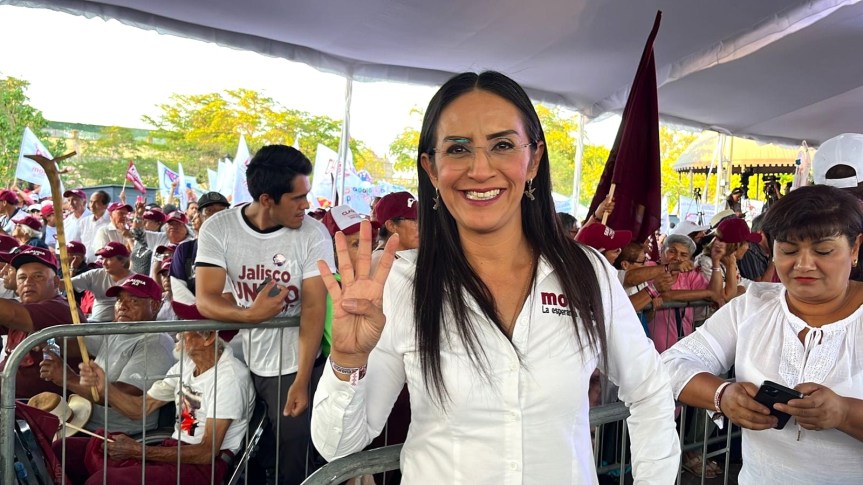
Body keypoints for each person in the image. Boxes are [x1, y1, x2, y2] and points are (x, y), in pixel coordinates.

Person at [311, 71, 679, 483]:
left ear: (534, 159)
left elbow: (649, 390)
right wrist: (347, 360)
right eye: (458, 149)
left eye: (502, 145)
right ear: (431, 169)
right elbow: (338, 445)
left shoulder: (586, 271)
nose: (480, 169)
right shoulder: (402, 283)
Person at [662, 184, 863, 483]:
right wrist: (722, 395)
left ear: (855, 249)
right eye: (789, 250)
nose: (804, 264)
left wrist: (845, 413)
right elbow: (671, 363)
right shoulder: (752, 306)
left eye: (823, 250)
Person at [195, 145, 335, 484]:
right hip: (247, 357)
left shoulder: (314, 233)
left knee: (294, 452)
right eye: (298, 198)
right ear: (267, 199)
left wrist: (302, 380)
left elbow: (314, 308)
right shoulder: (219, 228)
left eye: (307, 195)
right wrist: (250, 315)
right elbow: (206, 298)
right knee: (246, 447)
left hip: (295, 364)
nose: (307, 205)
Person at [71, 328, 255, 485]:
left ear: (209, 337)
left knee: (103, 480)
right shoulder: (186, 365)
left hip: (204, 466)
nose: (177, 334)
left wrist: (139, 451)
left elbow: (206, 452)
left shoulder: (230, 378)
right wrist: (106, 389)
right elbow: (140, 408)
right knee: (69, 450)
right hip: (173, 450)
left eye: (186, 329)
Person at [39, 274, 175, 435]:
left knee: (50, 451)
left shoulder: (156, 343)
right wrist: (47, 341)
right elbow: (76, 345)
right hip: (87, 421)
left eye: (134, 300)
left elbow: (121, 394)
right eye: (119, 299)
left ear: (155, 305)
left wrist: (67, 378)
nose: (122, 306)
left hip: (120, 435)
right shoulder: (116, 331)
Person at [0, 246, 87, 398]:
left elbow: (11, 315)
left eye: (38, 276)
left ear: (55, 282)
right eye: (22, 278)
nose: (28, 282)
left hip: (45, 411)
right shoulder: (23, 307)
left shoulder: (61, 308)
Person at [170, 191, 230, 308]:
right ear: (199, 216)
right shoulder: (185, 250)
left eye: (222, 211)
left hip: (235, 318)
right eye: (209, 211)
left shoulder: (240, 246)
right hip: (196, 320)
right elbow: (179, 290)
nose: (216, 216)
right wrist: (202, 316)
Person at [71, 241, 133, 322]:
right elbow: (66, 284)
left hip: (122, 326)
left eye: (109, 259)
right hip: (94, 324)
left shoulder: (135, 280)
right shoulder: (95, 274)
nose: (104, 263)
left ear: (122, 261)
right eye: (103, 258)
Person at [370, 191, 419, 271]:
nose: (421, 226)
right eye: (415, 220)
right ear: (391, 226)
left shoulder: (408, 255)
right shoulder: (381, 263)